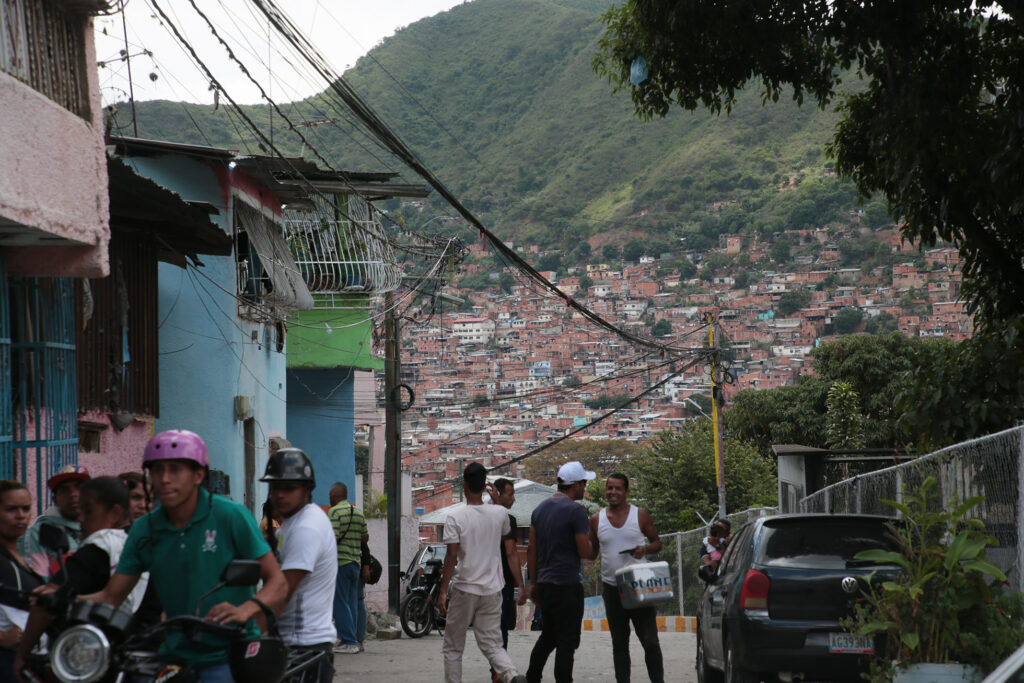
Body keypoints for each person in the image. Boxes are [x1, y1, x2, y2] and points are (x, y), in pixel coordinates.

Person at [82, 429, 287, 682]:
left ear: (198, 475)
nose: (165, 479)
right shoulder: (144, 529)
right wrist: (61, 598)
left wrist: (246, 610)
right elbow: (112, 596)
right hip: (173, 654)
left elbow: (278, 582)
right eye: (158, 470)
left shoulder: (230, 516)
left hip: (229, 654)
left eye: (176, 469)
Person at [15, 477, 154, 678]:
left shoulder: (99, 547)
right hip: (148, 658)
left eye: (88, 511)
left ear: (114, 514)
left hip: (95, 663)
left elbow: (45, 607)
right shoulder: (145, 545)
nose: (81, 519)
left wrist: (22, 655)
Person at [436, 463, 526, 683]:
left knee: (453, 647)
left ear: (464, 485)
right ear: (485, 485)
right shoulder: (500, 513)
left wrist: (443, 591)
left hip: (465, 588)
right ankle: (512, 675)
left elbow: (451, 557)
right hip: (492, 590)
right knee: (493, 645)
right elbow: (503, 533)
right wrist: (496, 502)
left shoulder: (455, 517)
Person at [260, 448, 337, 683]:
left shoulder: (307, 527)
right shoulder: (290, 524)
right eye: (275, 487)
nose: (280, 494)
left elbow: (282, 592)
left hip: (304, 647)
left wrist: (247, 629)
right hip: (292, 645)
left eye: (289, 488)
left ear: (307, 489)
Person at [588, 473, 664, 683]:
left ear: (627, 492)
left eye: (618, 488)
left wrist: (645, 549)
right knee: (620, 644)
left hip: (638, 586)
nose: (612, 492)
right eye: (609, 488)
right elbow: (592, 553)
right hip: (612, 588)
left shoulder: (640, 515)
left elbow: (657, 543)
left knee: (650, 641)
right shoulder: (596, 519)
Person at [526, 461, 594, 683]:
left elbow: (532, 549)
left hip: (545, 585)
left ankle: (532, 677)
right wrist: (595, 541)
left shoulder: (539, 510)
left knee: (548, 636)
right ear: (575, 485)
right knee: (567, 642)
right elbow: (584, 551)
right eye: (584, 483)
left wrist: (533, 583)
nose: (585, 488)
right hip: (567, 585)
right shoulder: (576, 511)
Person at [0, 481, 41, 683]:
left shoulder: (20, 558)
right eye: (11, 509)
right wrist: (1, 637)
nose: (21, 515)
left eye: (26, 508)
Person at [20, 465, 90, 578]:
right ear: (55, 500)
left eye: (79, 487)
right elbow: (35, 582)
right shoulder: (38, 534)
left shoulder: (104, 529)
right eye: (64, 490)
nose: (73, 494)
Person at [328, 482, 367, 654]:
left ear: (334, 496)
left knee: (340, 602)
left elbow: (332, 539)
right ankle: (355, 640)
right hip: (355, 563)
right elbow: (365, 537)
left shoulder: (334, 512)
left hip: (340, 563)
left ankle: (348, 641)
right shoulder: (358, 512)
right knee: (352, 603)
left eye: (330, 496)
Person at [489, 477, 519, 683]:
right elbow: (511, 553)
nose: (513, 499)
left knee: (495, 629)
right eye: (510, 494)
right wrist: (521, 584)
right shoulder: (506, 520)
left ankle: (497, 670)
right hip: (500, 582)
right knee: (500, 629)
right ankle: (498, 671)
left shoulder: (480, 516)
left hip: (489, 581)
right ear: (498, 495)